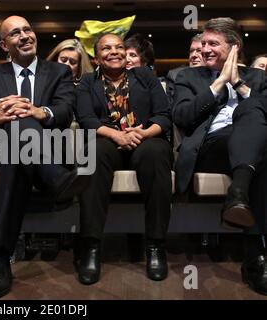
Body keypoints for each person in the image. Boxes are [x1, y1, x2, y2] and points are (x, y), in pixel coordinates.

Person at [0, 15, 85, 299]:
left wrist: (38, 112)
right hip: (0, 145)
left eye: (27, 29)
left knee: (18, 134)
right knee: (14, 126)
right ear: (4, 44)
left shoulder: (58, 72)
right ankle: (56, 178)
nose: (24, 35)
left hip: (45, 144)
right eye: (14, 33)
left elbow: (64, 113)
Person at [173, 17, 267, 295]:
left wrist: (238, 84)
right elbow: (182, 116)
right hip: (211, 147)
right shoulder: (187, 77)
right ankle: (255, 255)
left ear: (235, 46)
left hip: (251, 148)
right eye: (203, 44)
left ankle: (240, 195)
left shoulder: (258, 78)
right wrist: (219, 84)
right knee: (251, 119)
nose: (204, 50)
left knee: (250, 113)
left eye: (213, 44)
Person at [74, 33, 173, 284]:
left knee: (157, 152)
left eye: (119, 47)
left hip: (144, 139)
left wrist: (142, 132)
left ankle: (155, 246)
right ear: (96, 58)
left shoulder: (145, 77)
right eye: (106, 49)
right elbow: (86, 120)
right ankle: (92, 247)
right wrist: (116, 136)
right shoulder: (87, 82)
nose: (115, 51)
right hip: (107, 141)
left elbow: (163, 116)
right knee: (93, 153)